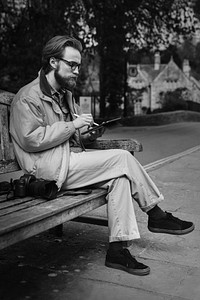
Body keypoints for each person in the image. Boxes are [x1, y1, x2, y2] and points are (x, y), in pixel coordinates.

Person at [10, 35, 194, 276]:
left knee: (121, 179)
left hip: (67, 161)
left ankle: (117, 251)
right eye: (72, 65)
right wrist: (73, 126)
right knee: (122, 158)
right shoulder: (28, 96)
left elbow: (69, 136)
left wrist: (87, 133)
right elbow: (30, 139)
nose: (77, 71)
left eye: (78, 66)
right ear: (53, 62)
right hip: (45, 171)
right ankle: (155, 213)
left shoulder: (64, 93)